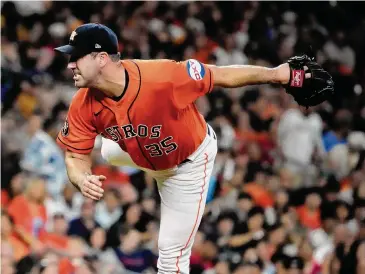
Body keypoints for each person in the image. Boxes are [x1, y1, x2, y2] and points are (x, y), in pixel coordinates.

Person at [54, 23, 310, 273]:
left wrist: (277, 74)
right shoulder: (82, 104)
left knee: (170, 255)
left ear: (101, 58)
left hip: (186, 166)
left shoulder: (163, 77)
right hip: (140, 153)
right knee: (108, 151)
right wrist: (81, 177)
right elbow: (75, 155)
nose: (70, 64)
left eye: (76, 57)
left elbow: (220, 75)